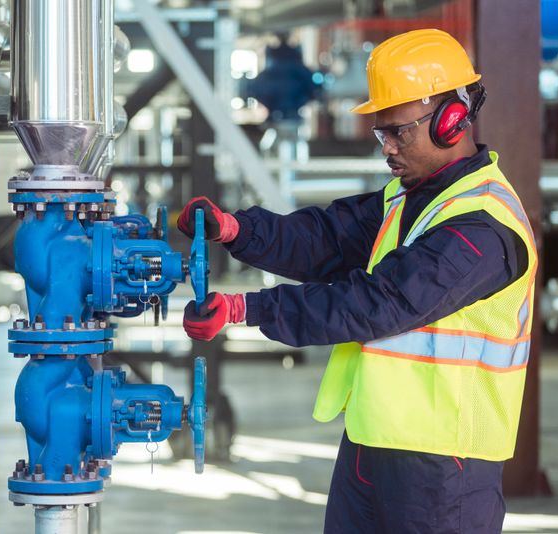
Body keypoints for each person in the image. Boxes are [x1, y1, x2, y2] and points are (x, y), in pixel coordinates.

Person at [177, 29, 537, 534]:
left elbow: (379, 302)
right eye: (380, 133)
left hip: (443, 467)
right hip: (373, 444)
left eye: (398, 132)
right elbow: (325, 239)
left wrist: (247, 310)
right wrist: (236, 229)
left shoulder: (483, 226)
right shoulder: (409, 199)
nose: (386, 147)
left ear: (452, 119)